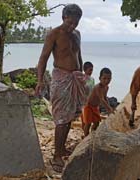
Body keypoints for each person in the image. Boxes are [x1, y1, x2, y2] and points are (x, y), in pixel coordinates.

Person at [35, 4, 87, 172]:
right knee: (61, 119)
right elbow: (43, 58)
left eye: (76, 23)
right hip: (61, 79)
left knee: (70, 116)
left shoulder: (77, 34)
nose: (72, 26)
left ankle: (62, 148)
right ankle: (56, 156)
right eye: (70, 22)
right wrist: (40, 81)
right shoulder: (54, 34)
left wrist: (83, 77)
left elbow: (79, 56)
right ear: (63, 17)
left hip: (75, 79)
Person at [82, 68, 114, 136]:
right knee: (88, 123)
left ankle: (92, 134)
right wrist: (109, 109)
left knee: (97, 122)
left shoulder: (106, 87)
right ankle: (85, 136)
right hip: (88, 106)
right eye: (104, 78)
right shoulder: (98, 87)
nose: (106, 81)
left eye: (109, 79)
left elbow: (105, 98)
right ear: (100, 78)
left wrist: (109, 107)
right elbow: (102, 99)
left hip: (95, 107)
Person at [81, 61, 95, 130]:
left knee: (90, 120)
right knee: (85, 120)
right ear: (85, 70)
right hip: (84, 102)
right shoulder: (82, 79)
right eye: (90, 70)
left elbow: (93, 90)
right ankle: (85, 134)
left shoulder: (92, 79)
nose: (91, 72)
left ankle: (86, 133)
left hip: (91, 102)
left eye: (92, 70)